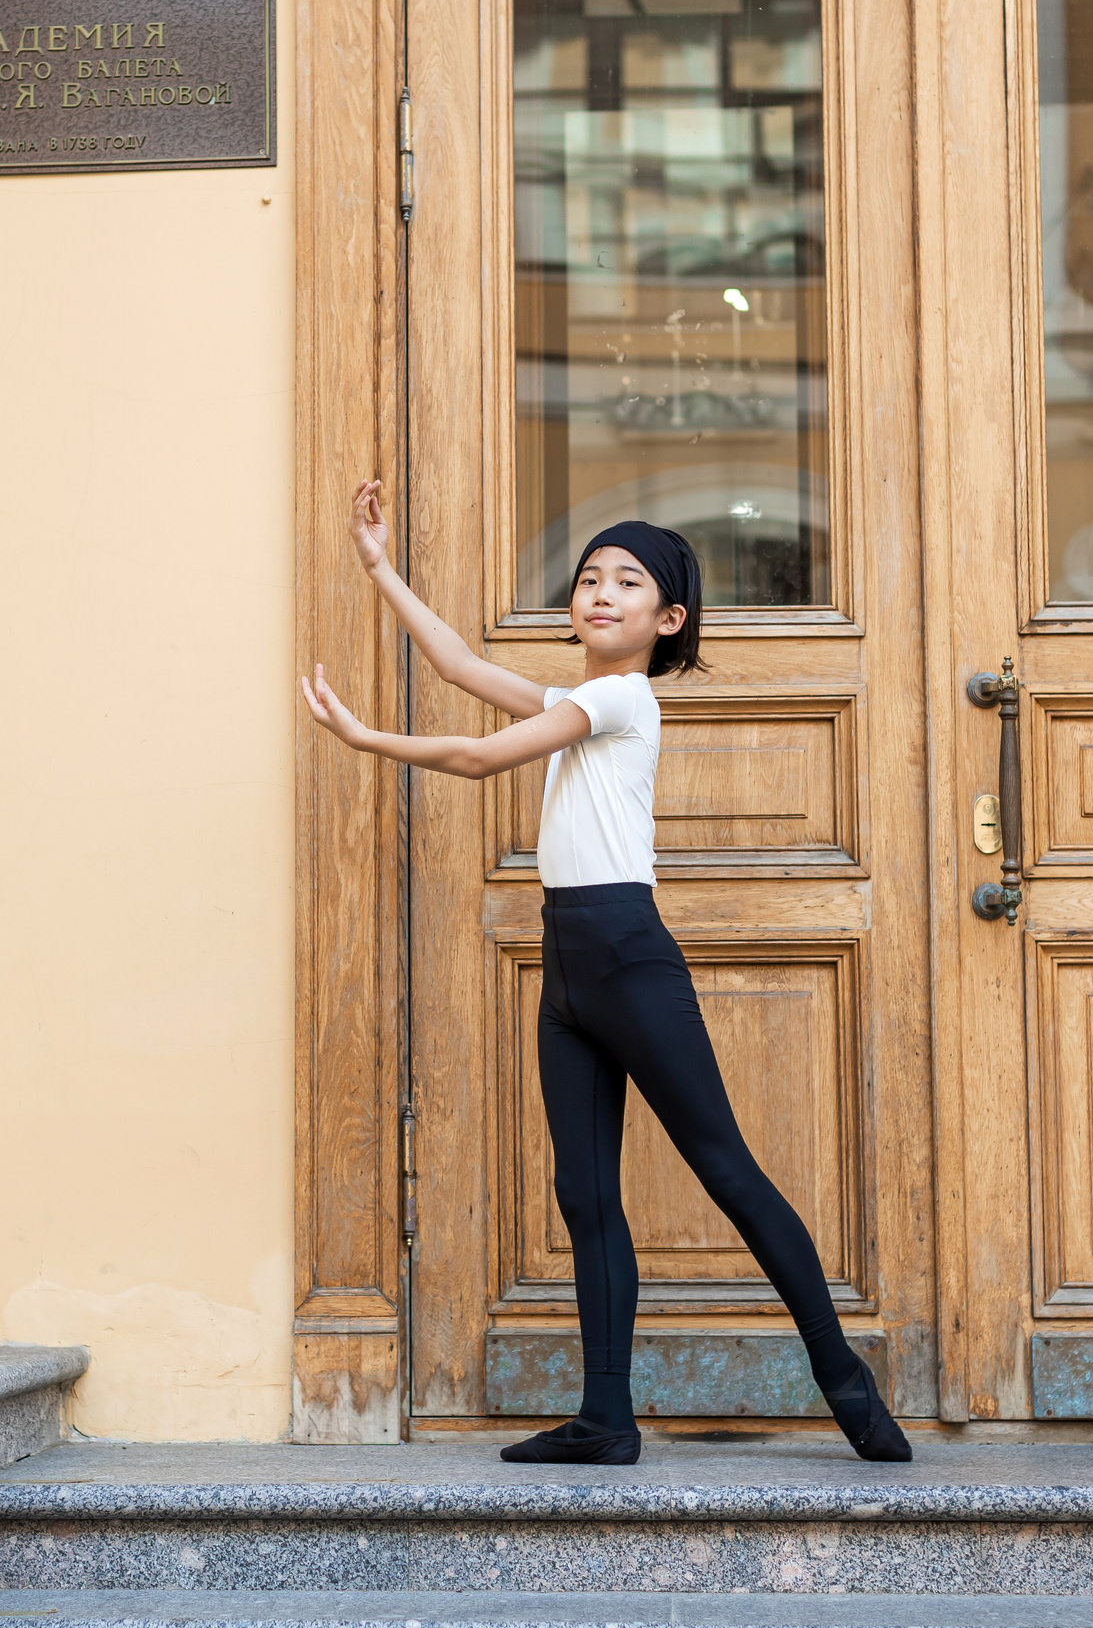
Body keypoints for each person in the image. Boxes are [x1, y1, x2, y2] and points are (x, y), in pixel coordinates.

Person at [299, 479, 911, 1466]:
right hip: (570, 962)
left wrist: (367, 738)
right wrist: (378, 567)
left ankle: (847, 1384)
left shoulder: (622, 697)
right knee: (584, 1193)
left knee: (728, 1171)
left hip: (626, 954)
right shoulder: (578, 697)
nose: (600, 592)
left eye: (627, 582)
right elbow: (457, 663)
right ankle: (605, 1416)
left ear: (665, 619)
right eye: (588, 577)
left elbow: (475, 754)